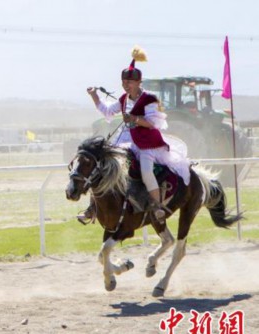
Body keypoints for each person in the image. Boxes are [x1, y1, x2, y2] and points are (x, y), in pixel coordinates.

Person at [79, 46, 190, 224]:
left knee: (146, 171)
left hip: (148, 144)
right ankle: (93, 207)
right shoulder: (123, 99)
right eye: (123, 82)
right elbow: (107, 111)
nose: (125, 85)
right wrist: (94, 96)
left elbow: (154, 123)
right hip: (126, 142)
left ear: (139, 82)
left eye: (129, 83)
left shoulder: (149, 99)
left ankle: (157, 206)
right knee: (104, 168)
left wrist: (135, 119)